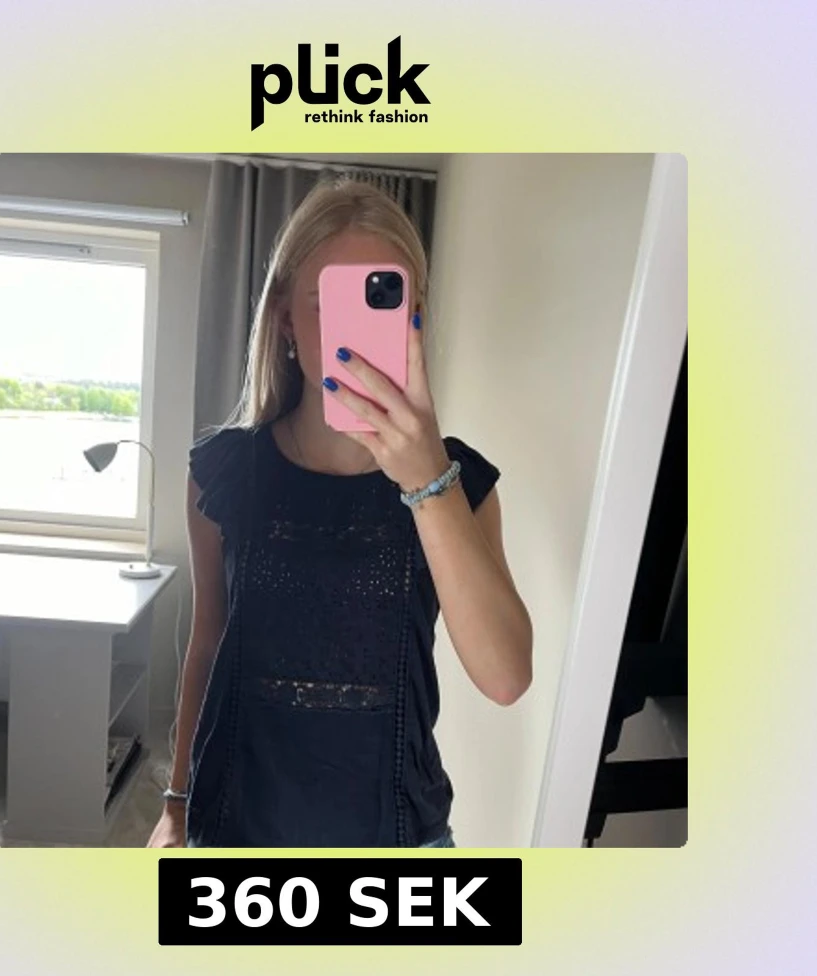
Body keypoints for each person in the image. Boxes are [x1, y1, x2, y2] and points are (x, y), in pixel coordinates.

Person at [147, 179, 533, 849]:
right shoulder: (225, 473)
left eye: (383, 299)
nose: (353, 336)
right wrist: (175, 804)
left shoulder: (458, 484)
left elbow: (506, 678)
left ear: (414, 319)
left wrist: (426, 480)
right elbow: (208, 642)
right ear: (284, 321)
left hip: (397, 840)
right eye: (328, 305)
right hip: (235, 830)